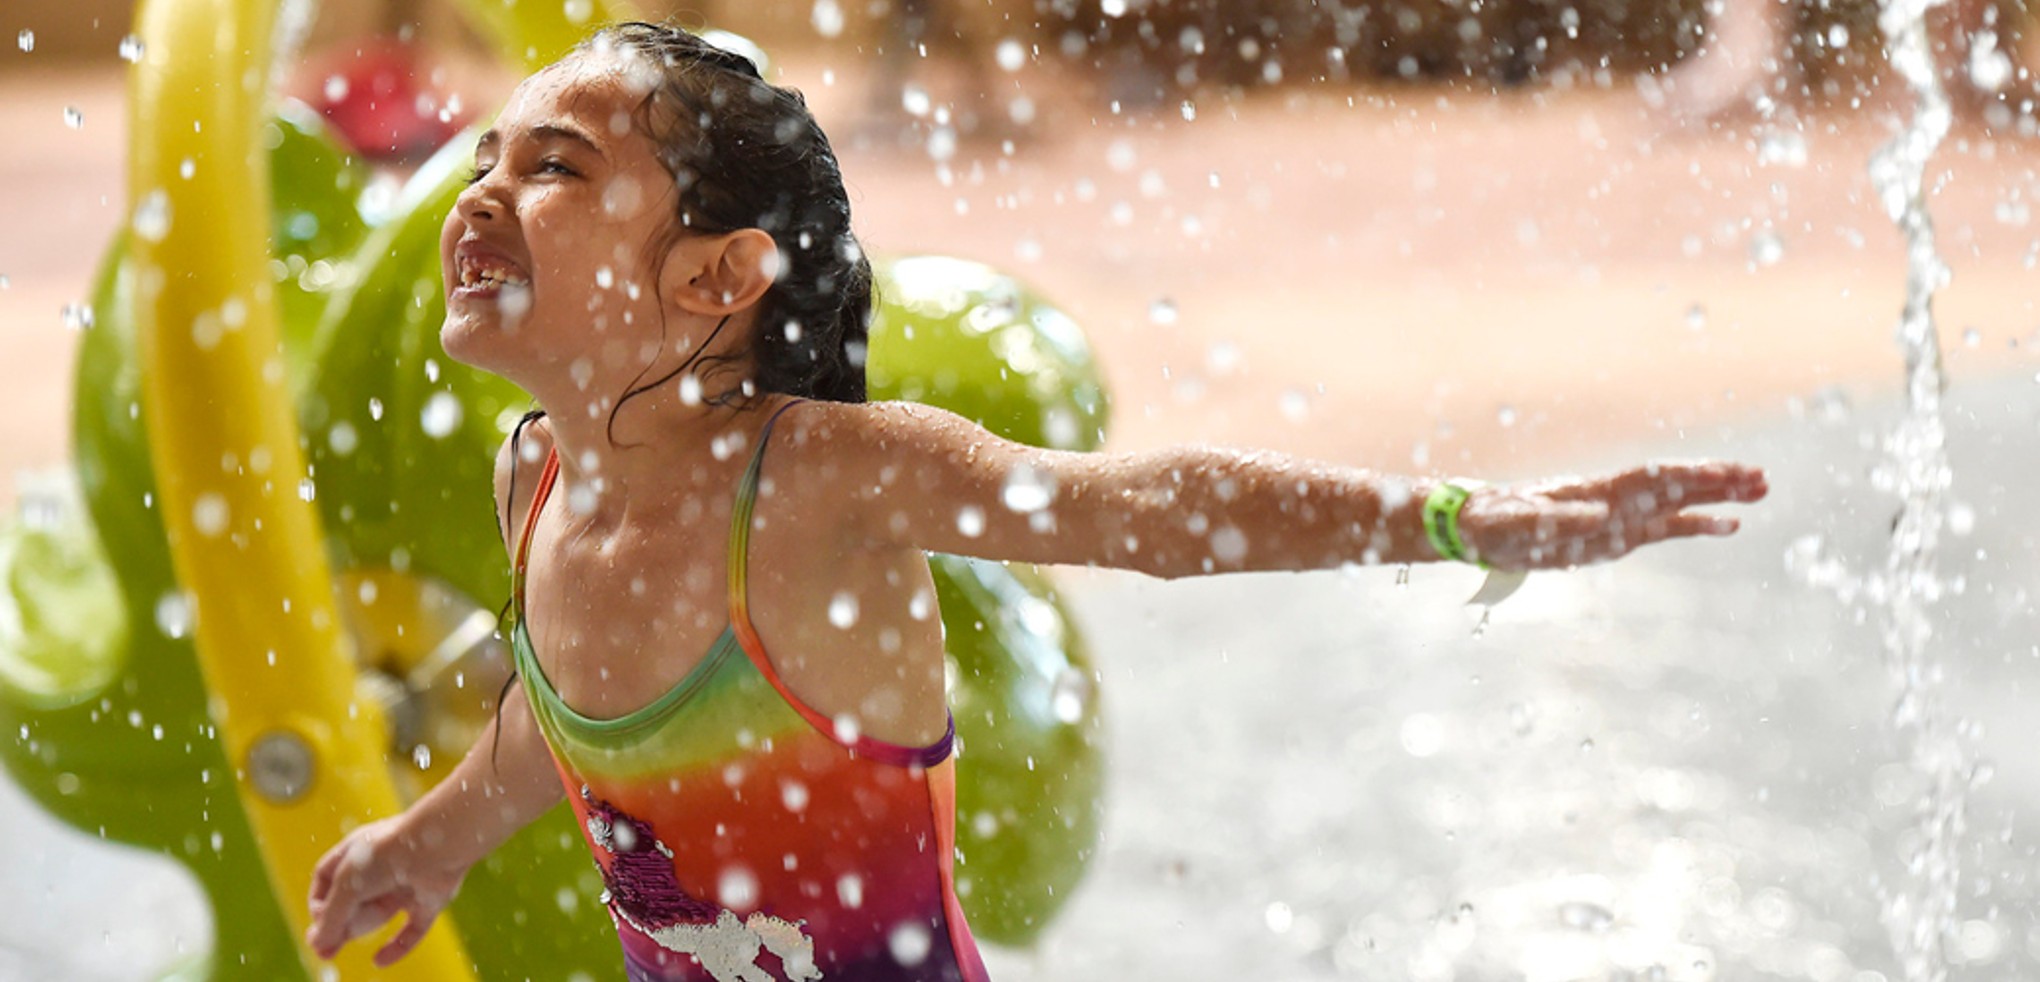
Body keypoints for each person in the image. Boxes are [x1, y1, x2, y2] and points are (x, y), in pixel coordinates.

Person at [303, 20, 1768, 982]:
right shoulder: (536, 479)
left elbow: (1143, 512)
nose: (475, 202)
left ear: (716, 278)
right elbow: (559, 715)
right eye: (482, 162)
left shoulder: (818, 485)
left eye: (552, 167)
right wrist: (428, 839)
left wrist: (1460, 519)